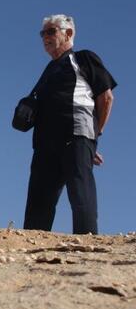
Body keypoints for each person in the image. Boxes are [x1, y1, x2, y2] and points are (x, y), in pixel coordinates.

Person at [23, 14, 117, 234]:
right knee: (39, 198)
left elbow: (106, 98)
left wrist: (94, 137)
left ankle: (86, 244)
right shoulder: (48, 70)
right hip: (44, 142)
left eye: (50, 31)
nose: (45, 37)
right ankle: (31, 247)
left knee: (80, 192)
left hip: (76, 134)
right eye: (42, 33)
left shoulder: (83, 58)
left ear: (69, 33)